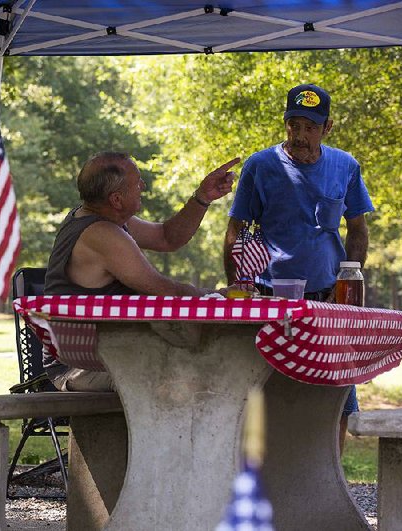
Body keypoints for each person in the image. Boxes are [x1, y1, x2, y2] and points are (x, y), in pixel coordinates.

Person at [223, 83, 374, 453]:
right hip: (268, 300)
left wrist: (349, 277)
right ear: (286, 123)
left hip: (328, 302)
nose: (300, 136)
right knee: (263, 398)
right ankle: (266, 484)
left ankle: (329, 482)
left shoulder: (345, 166)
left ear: (328, 128)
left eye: (310, 127)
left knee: (336, 401)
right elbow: (234, 233)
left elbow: (357, 230)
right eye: (294, 125)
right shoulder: (260, 166)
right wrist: (238, 289)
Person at [43, 151, 241, 392]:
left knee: (199, 366)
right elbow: (166, 291)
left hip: (108, 356)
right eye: (137, 182)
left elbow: (168, 237)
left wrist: (202, 197)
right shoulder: (102, 234)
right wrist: (217, 296)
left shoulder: (105, 219)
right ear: (116, 200)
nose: (143, 186)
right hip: (78, 367)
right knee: (193, 379)